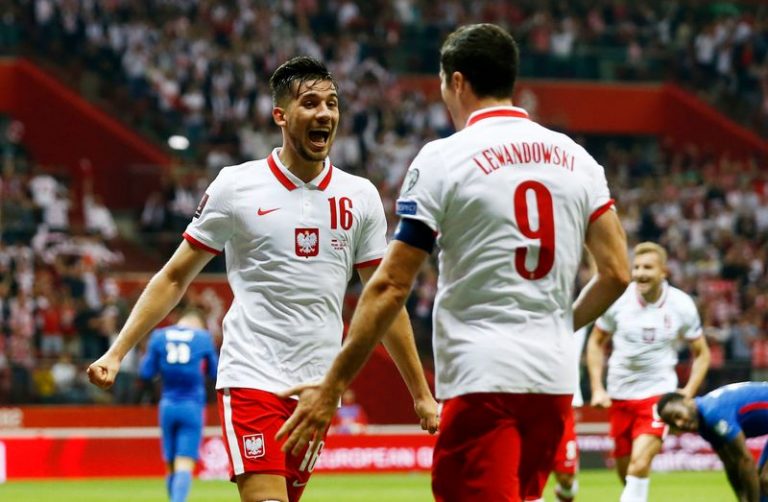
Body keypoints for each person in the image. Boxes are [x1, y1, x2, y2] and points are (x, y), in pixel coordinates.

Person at [276, 23, 630, 502]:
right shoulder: (577, 159)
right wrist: (561, 324)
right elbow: (617, 273)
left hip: (484, 378)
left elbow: (390, 285)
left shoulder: (445, 158)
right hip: (553, 383)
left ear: (456, 82)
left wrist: (333, 384)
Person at [88, 56, 439, 502]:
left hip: (317, 389)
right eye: (310, 103)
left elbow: (384, 297)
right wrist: (118, 351)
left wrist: (420, 393)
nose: (325, 113)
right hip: (251, 375)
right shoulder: (237, 186)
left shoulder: (360, 196)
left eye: (332, 103)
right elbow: (175, 277)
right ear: (280, 115)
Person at [587, 241, 711, 502]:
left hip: (657, 396)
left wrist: (687, 392)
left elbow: (702, 353)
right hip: (619, 396)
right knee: (627, 475)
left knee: (639, 463)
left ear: (663, 271)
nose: (640, 273)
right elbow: (596, 343)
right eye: (637, 267)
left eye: (648, 267)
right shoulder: (618, 299)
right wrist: (597, 387)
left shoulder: (681, 304)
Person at [138, 308, 218, 502]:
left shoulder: (159, 336)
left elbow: (146, 372)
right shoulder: (202, 337)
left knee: (171, 464)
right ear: (198, 324)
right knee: (184, 463)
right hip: (192, 406)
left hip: (167, 405)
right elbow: (215, 372)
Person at [657, 382, 768, 502]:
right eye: (673, 423)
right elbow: (730, 464)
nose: (679, 424)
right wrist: (741, 498)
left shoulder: (713, 413)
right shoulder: (704, 427)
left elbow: (745, 460)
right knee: (760, 485)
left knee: (766, 479)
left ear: (688, 401)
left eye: (677, 416)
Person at [551, 325, 589, 502]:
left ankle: (563, 494)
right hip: (531, 398)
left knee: (566, 478)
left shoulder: (574, 317)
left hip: (567, 400)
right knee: (529, 472)